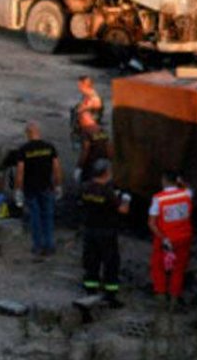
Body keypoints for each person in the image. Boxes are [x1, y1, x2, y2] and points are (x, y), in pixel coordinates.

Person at [79, 158, 130, 307]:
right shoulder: (108, 192)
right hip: (107, 232)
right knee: (111, 263)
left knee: (91, 261)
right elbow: (123, 210)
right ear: (106, 172)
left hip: (89, 230)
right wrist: (126, 199)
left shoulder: (85, 187)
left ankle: (90, 290)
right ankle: (110, 296)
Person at [14, 121, 63, 256]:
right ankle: (50, 245)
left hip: (30, 188)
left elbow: (19, 173)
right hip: (47, 186)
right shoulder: (49, 147)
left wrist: (18, 190)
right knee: (48, 216)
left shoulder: (24, 149)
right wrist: (58, 185)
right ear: (38, 132)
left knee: (35, 217)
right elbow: (57, 168)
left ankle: (38, 246)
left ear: (28, 134)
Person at [149, 171, 194, 309]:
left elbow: (152, 223)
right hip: (184, 237)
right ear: (177, 180)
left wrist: (163, 238)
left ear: (164, 180)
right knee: (178, 269)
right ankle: (174, 300)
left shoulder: (159, 199)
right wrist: (181, 182)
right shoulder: (186, 194)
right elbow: (189, 188)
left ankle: (161, 296)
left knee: (158, 267)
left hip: (165, 238)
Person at [76, 111, 115, 183]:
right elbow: (109, 146)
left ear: (83, 120)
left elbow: (85, 149)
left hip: (92, 163)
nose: (79, 124)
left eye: (79, 121)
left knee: (87, 183)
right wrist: (112, 161)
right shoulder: (102, 130)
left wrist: (79, 167)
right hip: (104, 161)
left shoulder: (85, 131)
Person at [70, 74, 104, 151]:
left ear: (83, 85)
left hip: (90, 134)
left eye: (79, 85)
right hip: (83, 132)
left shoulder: (94, 99)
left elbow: (94, 116)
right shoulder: (87, 96)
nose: (79, 87)